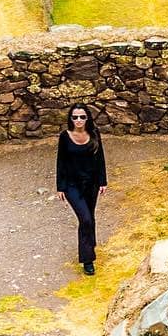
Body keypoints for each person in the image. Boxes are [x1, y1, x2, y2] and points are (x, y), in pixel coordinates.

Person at [56, 104, 107, 276]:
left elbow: (100, 158)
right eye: (75, 117)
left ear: (87, 118)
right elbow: (61, 162)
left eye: (82, 117)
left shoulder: (94, 134)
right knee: (85, 219)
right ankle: (87, 260)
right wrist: (60, 186)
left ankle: (89, 245)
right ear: (70, 119)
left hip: (91, 183)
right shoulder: (65, 136)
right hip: (72, 185)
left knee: (90, 216)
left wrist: (103, 181)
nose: (78, 120)